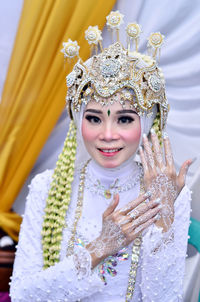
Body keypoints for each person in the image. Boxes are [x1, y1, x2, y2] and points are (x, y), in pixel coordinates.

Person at [10, 11, 192, 302]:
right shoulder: (48, 187)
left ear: (145, 123)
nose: (107, 134)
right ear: (78, 119)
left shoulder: (167, 193)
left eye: (124, 120)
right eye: (94, 119)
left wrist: (164, 214)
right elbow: (22, 296)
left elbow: (165, 298)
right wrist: (101, 247)